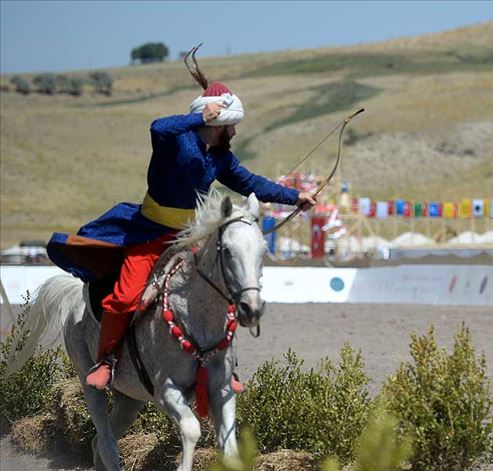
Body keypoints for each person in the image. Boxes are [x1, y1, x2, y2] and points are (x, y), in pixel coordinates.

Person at [47, 80, 316, 391]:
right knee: (124, 297)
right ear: (217, 123)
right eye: (231, 125)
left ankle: (225, 366)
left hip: (189, 236)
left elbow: (253, 183)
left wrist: (295, 197)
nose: (234, 132)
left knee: (222, 290)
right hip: (149, 234)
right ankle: (106, 360)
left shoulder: (221, 158)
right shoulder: (175, 141)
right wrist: (199, 117)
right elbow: (158, 127)